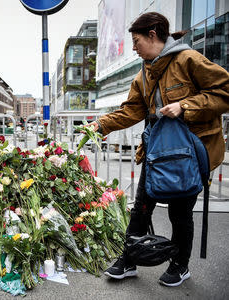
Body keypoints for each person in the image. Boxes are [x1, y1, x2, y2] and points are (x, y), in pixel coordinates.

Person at [88, 12, 229, 287]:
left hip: (188, 155)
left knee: (180, 213)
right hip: (156, 155)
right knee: (140, 209)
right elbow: (132, 110)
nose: (133, 47)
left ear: (153, 35)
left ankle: (180, 266)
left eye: (136, 40)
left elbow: (224, 91)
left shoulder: (188, 60)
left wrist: (185, 106)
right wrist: (101, 125)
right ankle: (128, 260)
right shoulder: (144, 72)